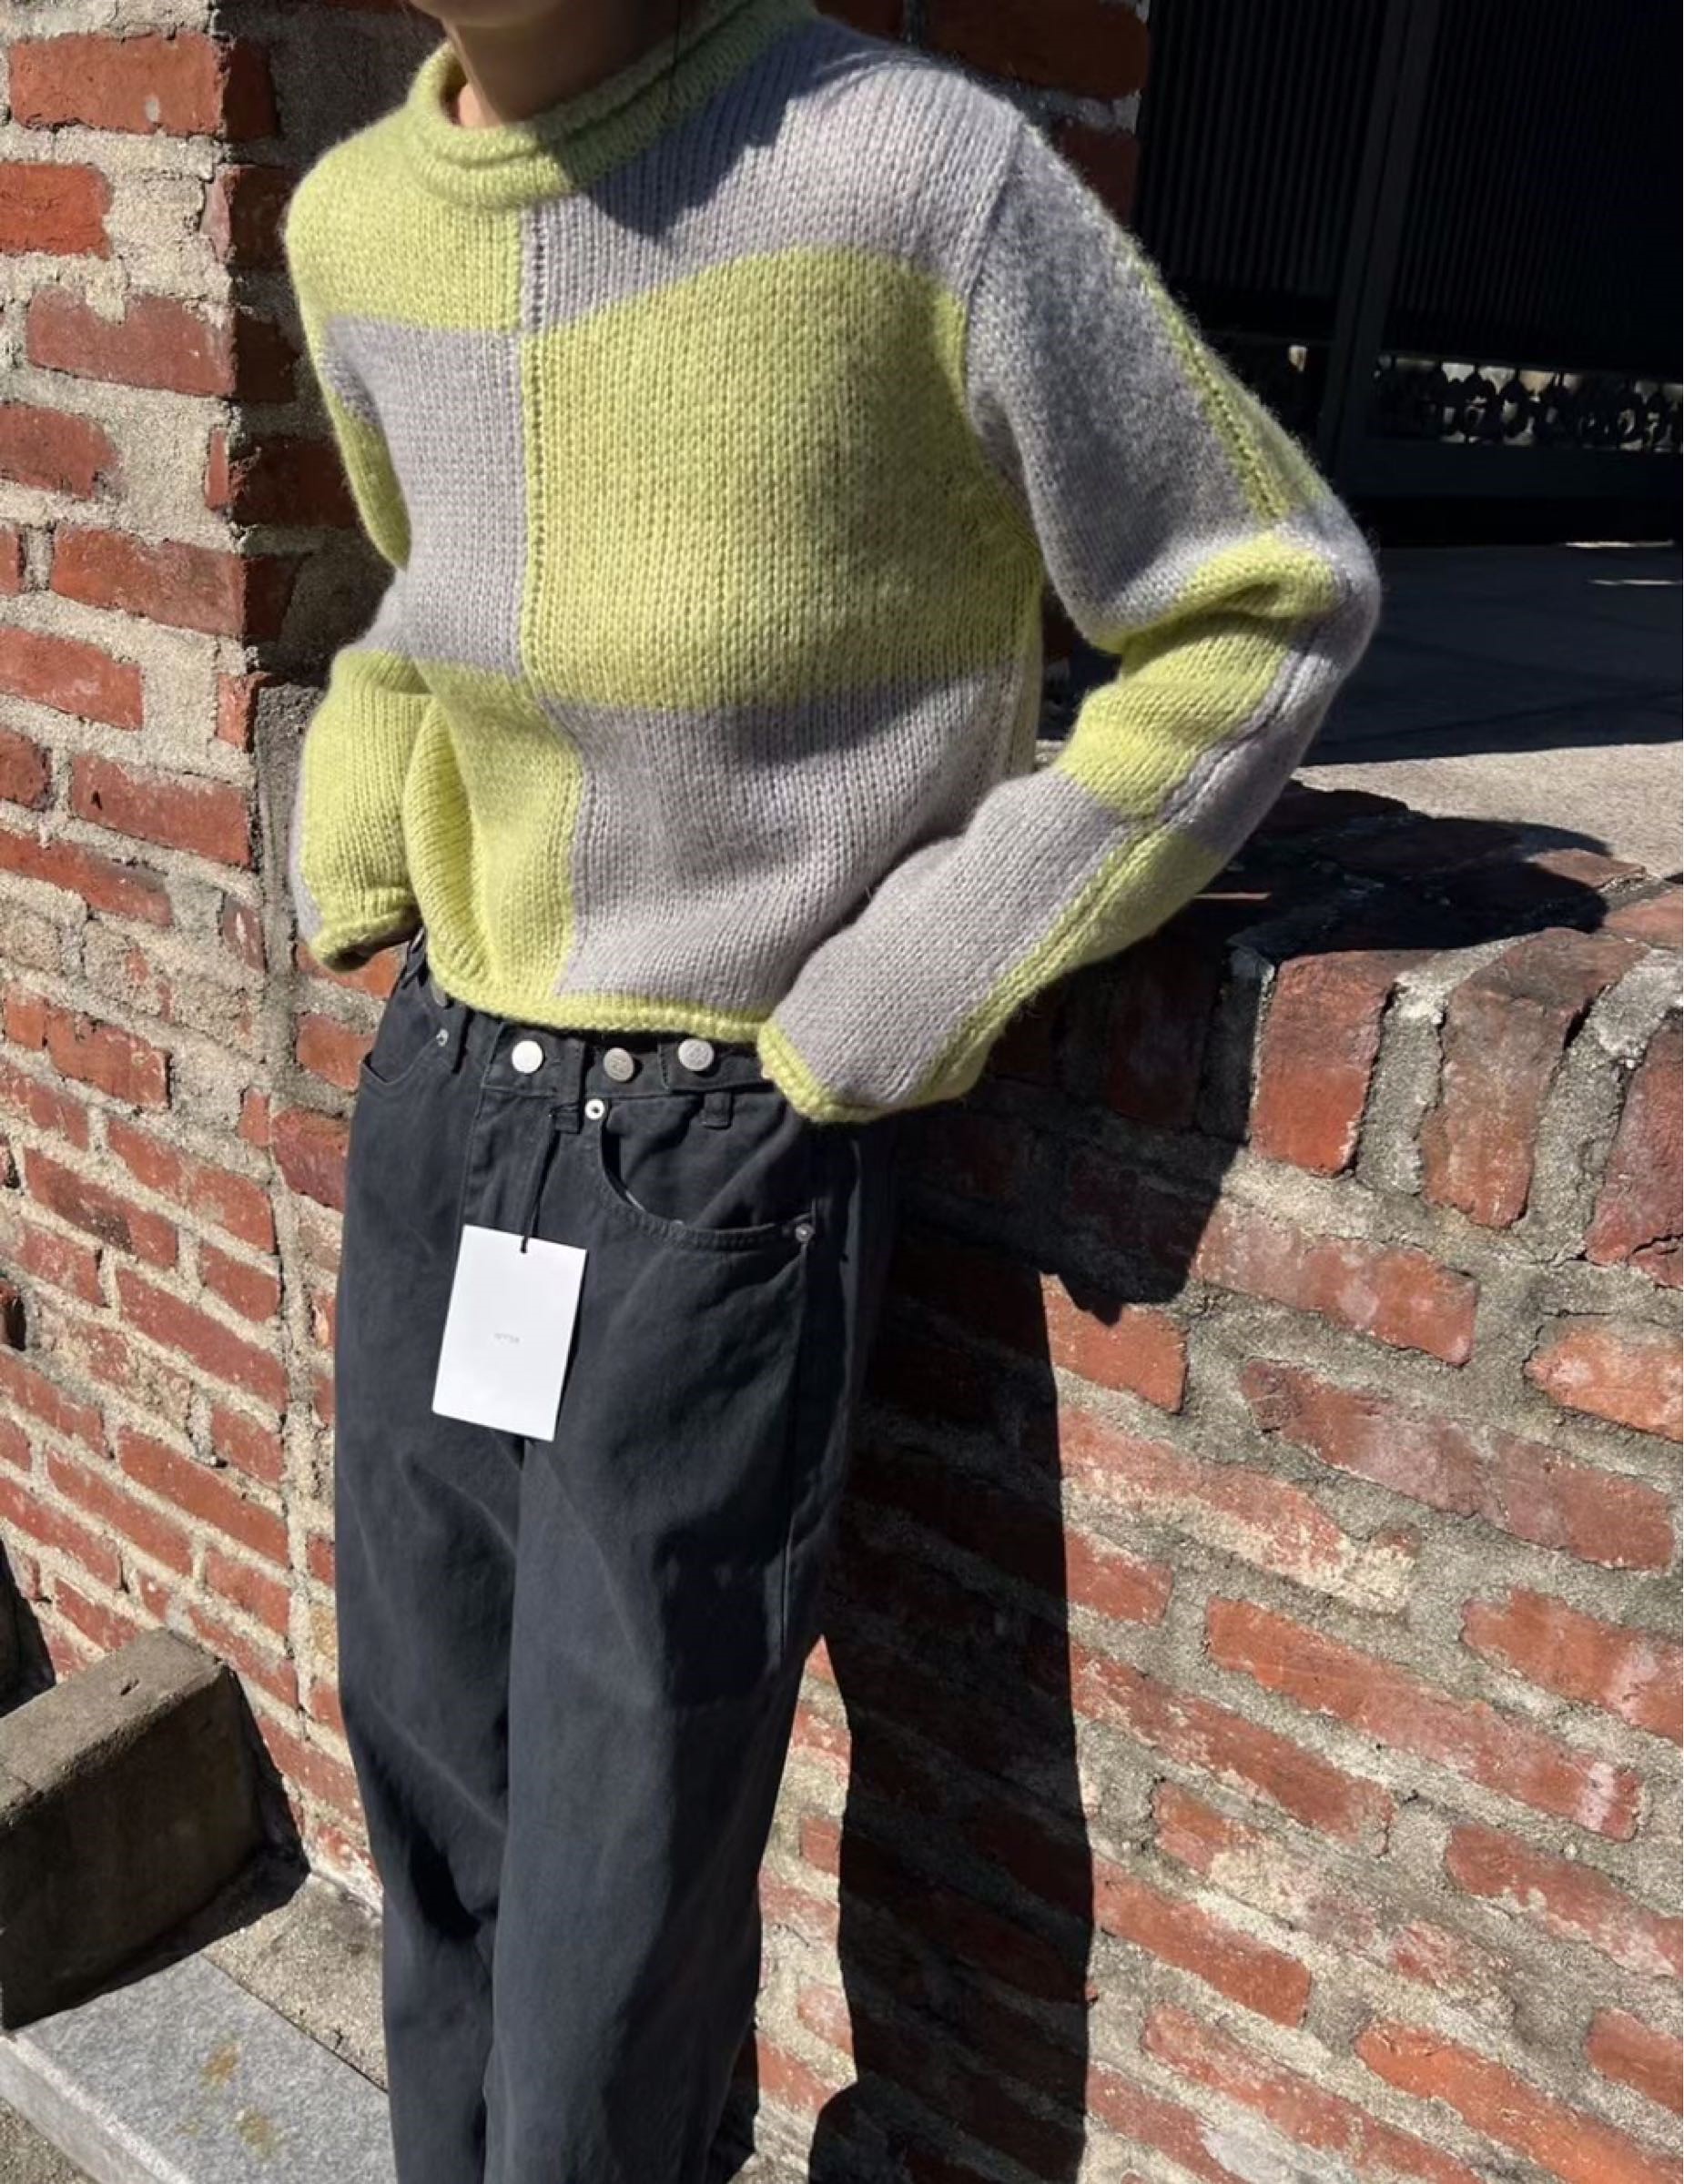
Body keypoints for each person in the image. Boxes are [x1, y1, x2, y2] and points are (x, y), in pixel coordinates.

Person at [279, 0, 1384, 2177]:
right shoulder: (354, 224)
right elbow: (432, 595)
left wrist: (903, 984)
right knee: (434, 1792)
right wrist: (362, 797)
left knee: (622, 1877)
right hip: (447, 1095)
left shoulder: (906, 177)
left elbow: (1260, 602)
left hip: (720, 1153)